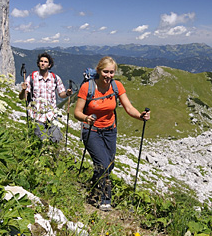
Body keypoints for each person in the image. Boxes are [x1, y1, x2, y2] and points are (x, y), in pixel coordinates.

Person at [74, 56, 150, 211]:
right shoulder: (87, 87)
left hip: (110, 131)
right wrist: (86, 118)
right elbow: (77, 112)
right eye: (105, 72)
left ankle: (92, 191)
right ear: (98, 70)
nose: (108, 75)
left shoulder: (117, 86)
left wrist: (140, 116)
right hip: (91, 131)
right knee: (103, 164)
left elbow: (128, 107)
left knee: (109, 165)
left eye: (111, 72)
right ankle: (105, 199)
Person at [19, 52, 72, 143]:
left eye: (45, 62)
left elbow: (61, 94)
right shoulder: (32, 77)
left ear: (49, 65)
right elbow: (22, 97)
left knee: (56, 139)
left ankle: (52, 155)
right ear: (38, 63)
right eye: (41, 61)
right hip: (36, 115)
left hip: (51, 115)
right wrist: (23, 90)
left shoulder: (55, 78)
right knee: (41, 141)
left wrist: (67, 94)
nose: (43, 63)